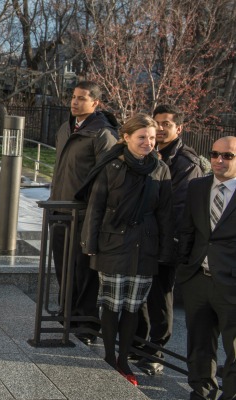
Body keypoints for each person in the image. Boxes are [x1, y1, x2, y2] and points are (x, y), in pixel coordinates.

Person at [79, 113, 172, 386]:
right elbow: (96, 207)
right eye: (142, 137)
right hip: (113, 244)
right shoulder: (112, 166)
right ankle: (109, 357)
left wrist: (166, 250)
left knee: (133, 307)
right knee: (111, 304)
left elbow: (165, 213)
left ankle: (123, 360)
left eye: (152, 138)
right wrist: (90, 244)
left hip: (145, 246)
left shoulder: (160, 169)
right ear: (127, 137)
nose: (148, 142)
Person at [134, 104, 204, 375]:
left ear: (179, 128)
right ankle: (139, 345)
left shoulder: (185, 161)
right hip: (144, 236)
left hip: (166, 240)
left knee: (161, 297)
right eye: (157, 123)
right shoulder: (149, 153)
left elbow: (179, 207)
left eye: (167, 124)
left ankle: (155, 352)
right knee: (142, 295)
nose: (161, 129)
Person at [49, 81, 119, 344]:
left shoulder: (102, 133)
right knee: (63, 268)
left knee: (82, 270)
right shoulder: (66, 127)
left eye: (81, 98)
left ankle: (86, 323)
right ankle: (67, 313)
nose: (74, 102)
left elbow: (108, 178)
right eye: (73, 97)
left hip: (83, 214)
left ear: (95, 103)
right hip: (59, 209)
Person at [177, 136, 236, 400]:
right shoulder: (198, 187)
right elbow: (188, 230)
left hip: (232, 284)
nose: (219, 160)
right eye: (214, 154)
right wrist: (185, 268)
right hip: (198, 279)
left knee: (233, 346)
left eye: (228, 156)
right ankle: (201, 390)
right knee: (199, 342)